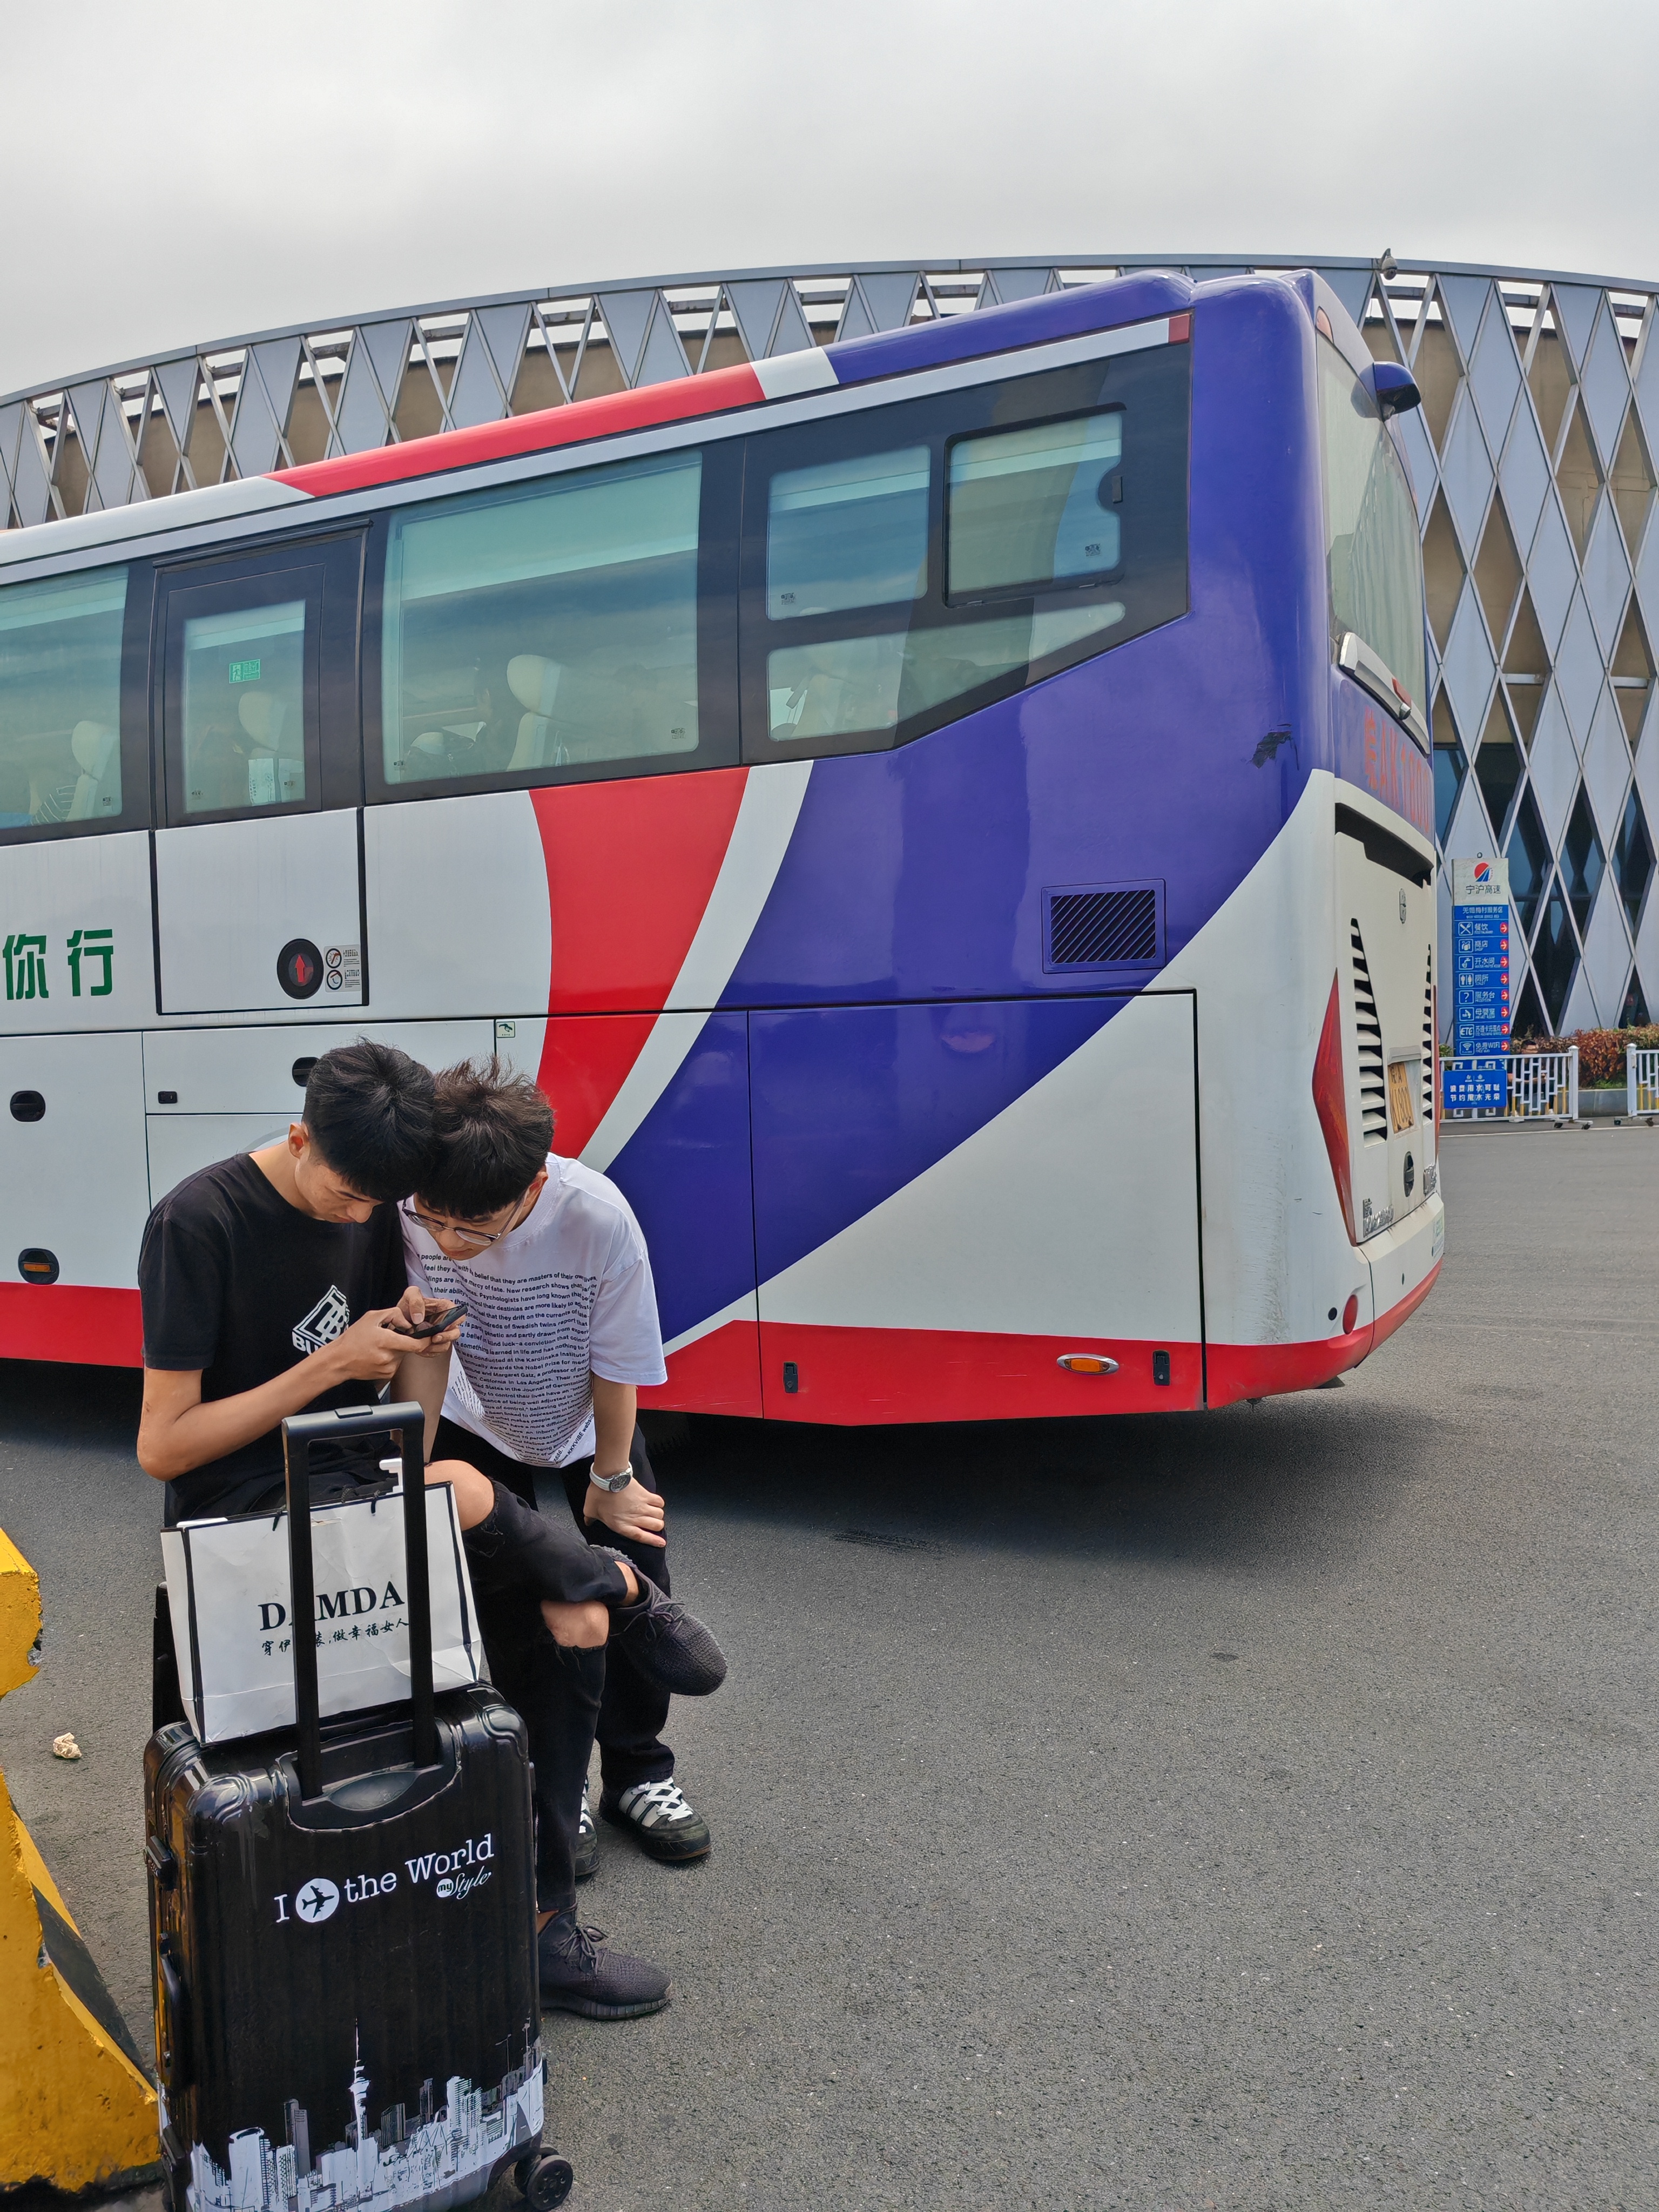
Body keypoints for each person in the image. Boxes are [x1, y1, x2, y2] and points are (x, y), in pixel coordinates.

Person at [136, 1040, 723, 2019]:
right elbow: (165, 1447)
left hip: (370, 1491)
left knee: (558, 1616)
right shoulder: (200, 1220)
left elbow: (408, 1420)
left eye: (383, 1204)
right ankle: (621, 1585)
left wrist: (421, 1345)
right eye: (352, 1197)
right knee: (461, 1484)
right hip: (246, 1515)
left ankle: (545, 1930)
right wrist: (329, 1368)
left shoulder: (378, 1208)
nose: (369, 1219)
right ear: (297, 1138)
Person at [395, 1060, 718, 1998]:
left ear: (532, 1189)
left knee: (637, 1577)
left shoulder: (596, 1217)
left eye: (475, 1226)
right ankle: (554, 1791)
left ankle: (638, 1770)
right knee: (517, 1608)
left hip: (585, 1423)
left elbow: (621, 1365)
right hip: (469, 1411)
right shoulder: (413, 1210)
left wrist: (611, 1480)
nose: (449, 1242)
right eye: (435, 1221)